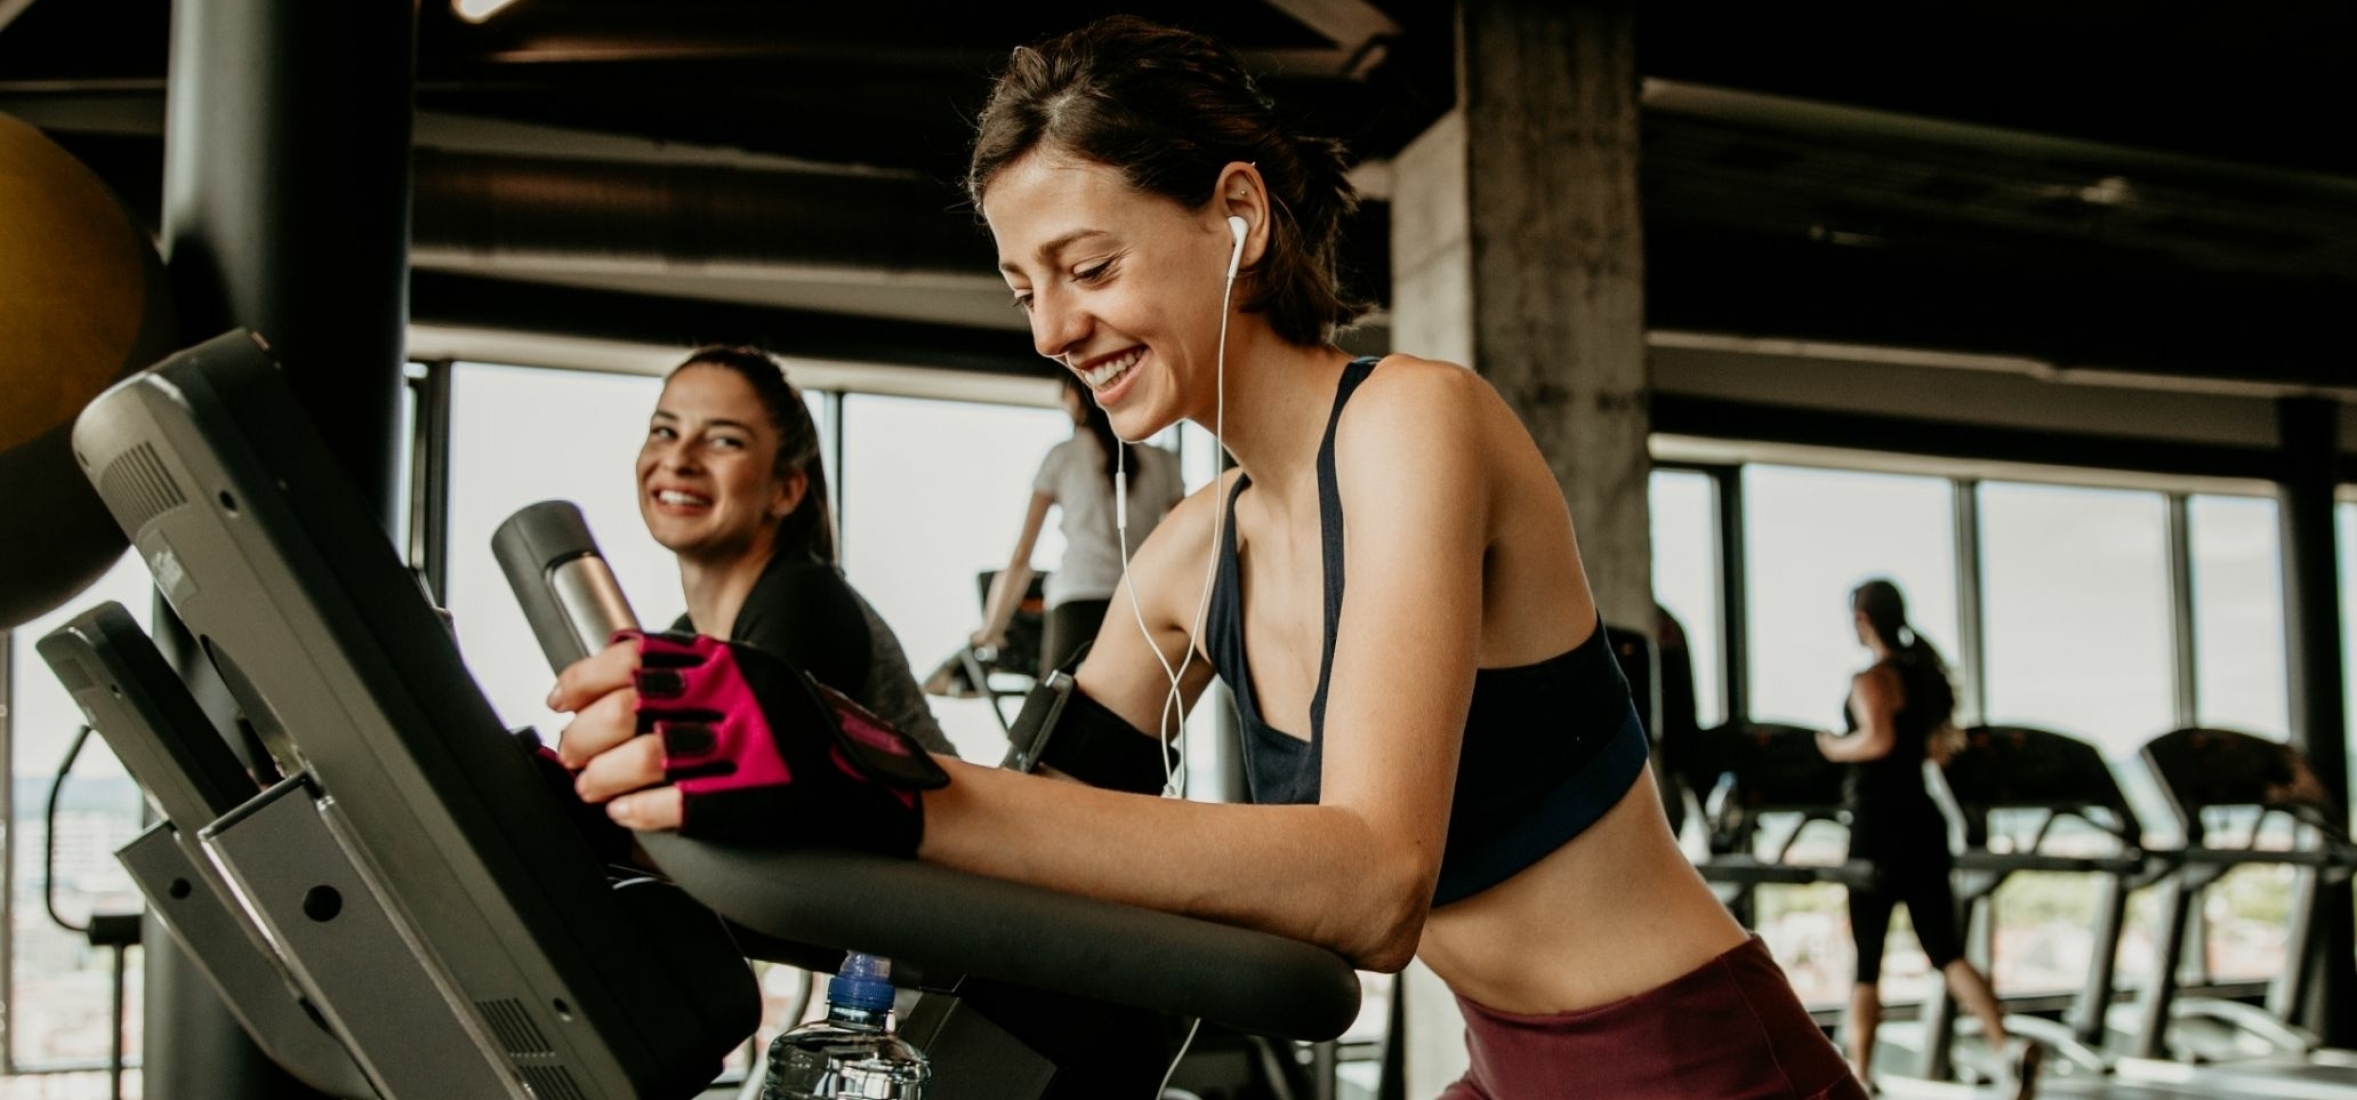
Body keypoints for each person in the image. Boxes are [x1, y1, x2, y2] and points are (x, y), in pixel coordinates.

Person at [556, 17, 1863, 1099]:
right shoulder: (1190, 553)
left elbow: (1370, 883)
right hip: (1502, 1071)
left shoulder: (1413, 420)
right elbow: (1030, 823)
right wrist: (635, 800)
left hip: (1692, 1058)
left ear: (1235, 214)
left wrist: (872, 770)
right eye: (1024, 290)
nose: (1055, 329)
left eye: (1088, 265)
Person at [634, 345, 953, 757]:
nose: (678, 459)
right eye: (664, 432)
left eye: (723, 441)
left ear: (785, 490)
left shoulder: (803, 604)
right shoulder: (688, 635)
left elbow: (747, 798)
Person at [1815, 579, 2038, 1098]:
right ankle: (2006, 1048)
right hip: (1923, 820)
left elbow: (1878, 739)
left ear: (1863, 619)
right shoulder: (1926, 677)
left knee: (1867, 960)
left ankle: (1861, 1078)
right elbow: (1936, 750)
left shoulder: (1872, 678)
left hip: (1878, 825)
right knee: (1946, 950)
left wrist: (1832, 747)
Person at [971, 372, 1184, 677]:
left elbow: (1022, 555)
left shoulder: (1063, 456)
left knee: (1059, 714)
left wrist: (990, 629)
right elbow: (1182, 544)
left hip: (1078, 598)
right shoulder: (1162, 461)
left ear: (1073, 400)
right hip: (1138, 601)